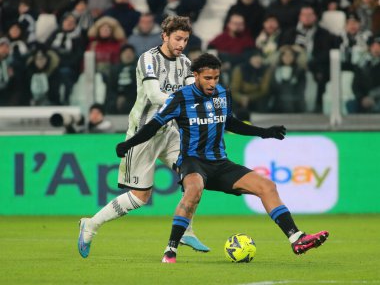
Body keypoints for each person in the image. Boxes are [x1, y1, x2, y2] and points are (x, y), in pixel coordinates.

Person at [115, 53, 329, 263]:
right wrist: (129, 144)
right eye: (208, 78)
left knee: (268, 186)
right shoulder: (180, 98)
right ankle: (171, 249)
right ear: (196, 75)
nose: (212, 83)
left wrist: (265, 132)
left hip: (221, 164)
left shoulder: (222, 94)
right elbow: (154, 125)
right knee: (194, 190)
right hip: (193, 161)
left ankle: (296, 238)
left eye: (216, 78)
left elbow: (231, 123)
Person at [77, 16, 209, 259]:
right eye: (177, 38)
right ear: (165, 36)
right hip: (143, 133)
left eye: (186, 39)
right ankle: (91, 224)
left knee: (195, 176)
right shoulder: (148, 59)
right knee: (140, 197)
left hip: (170, 133)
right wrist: (187, 100)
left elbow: (194, 92)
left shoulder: (186, 63)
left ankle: (187, 229)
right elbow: (155, 95)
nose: (181, 44)